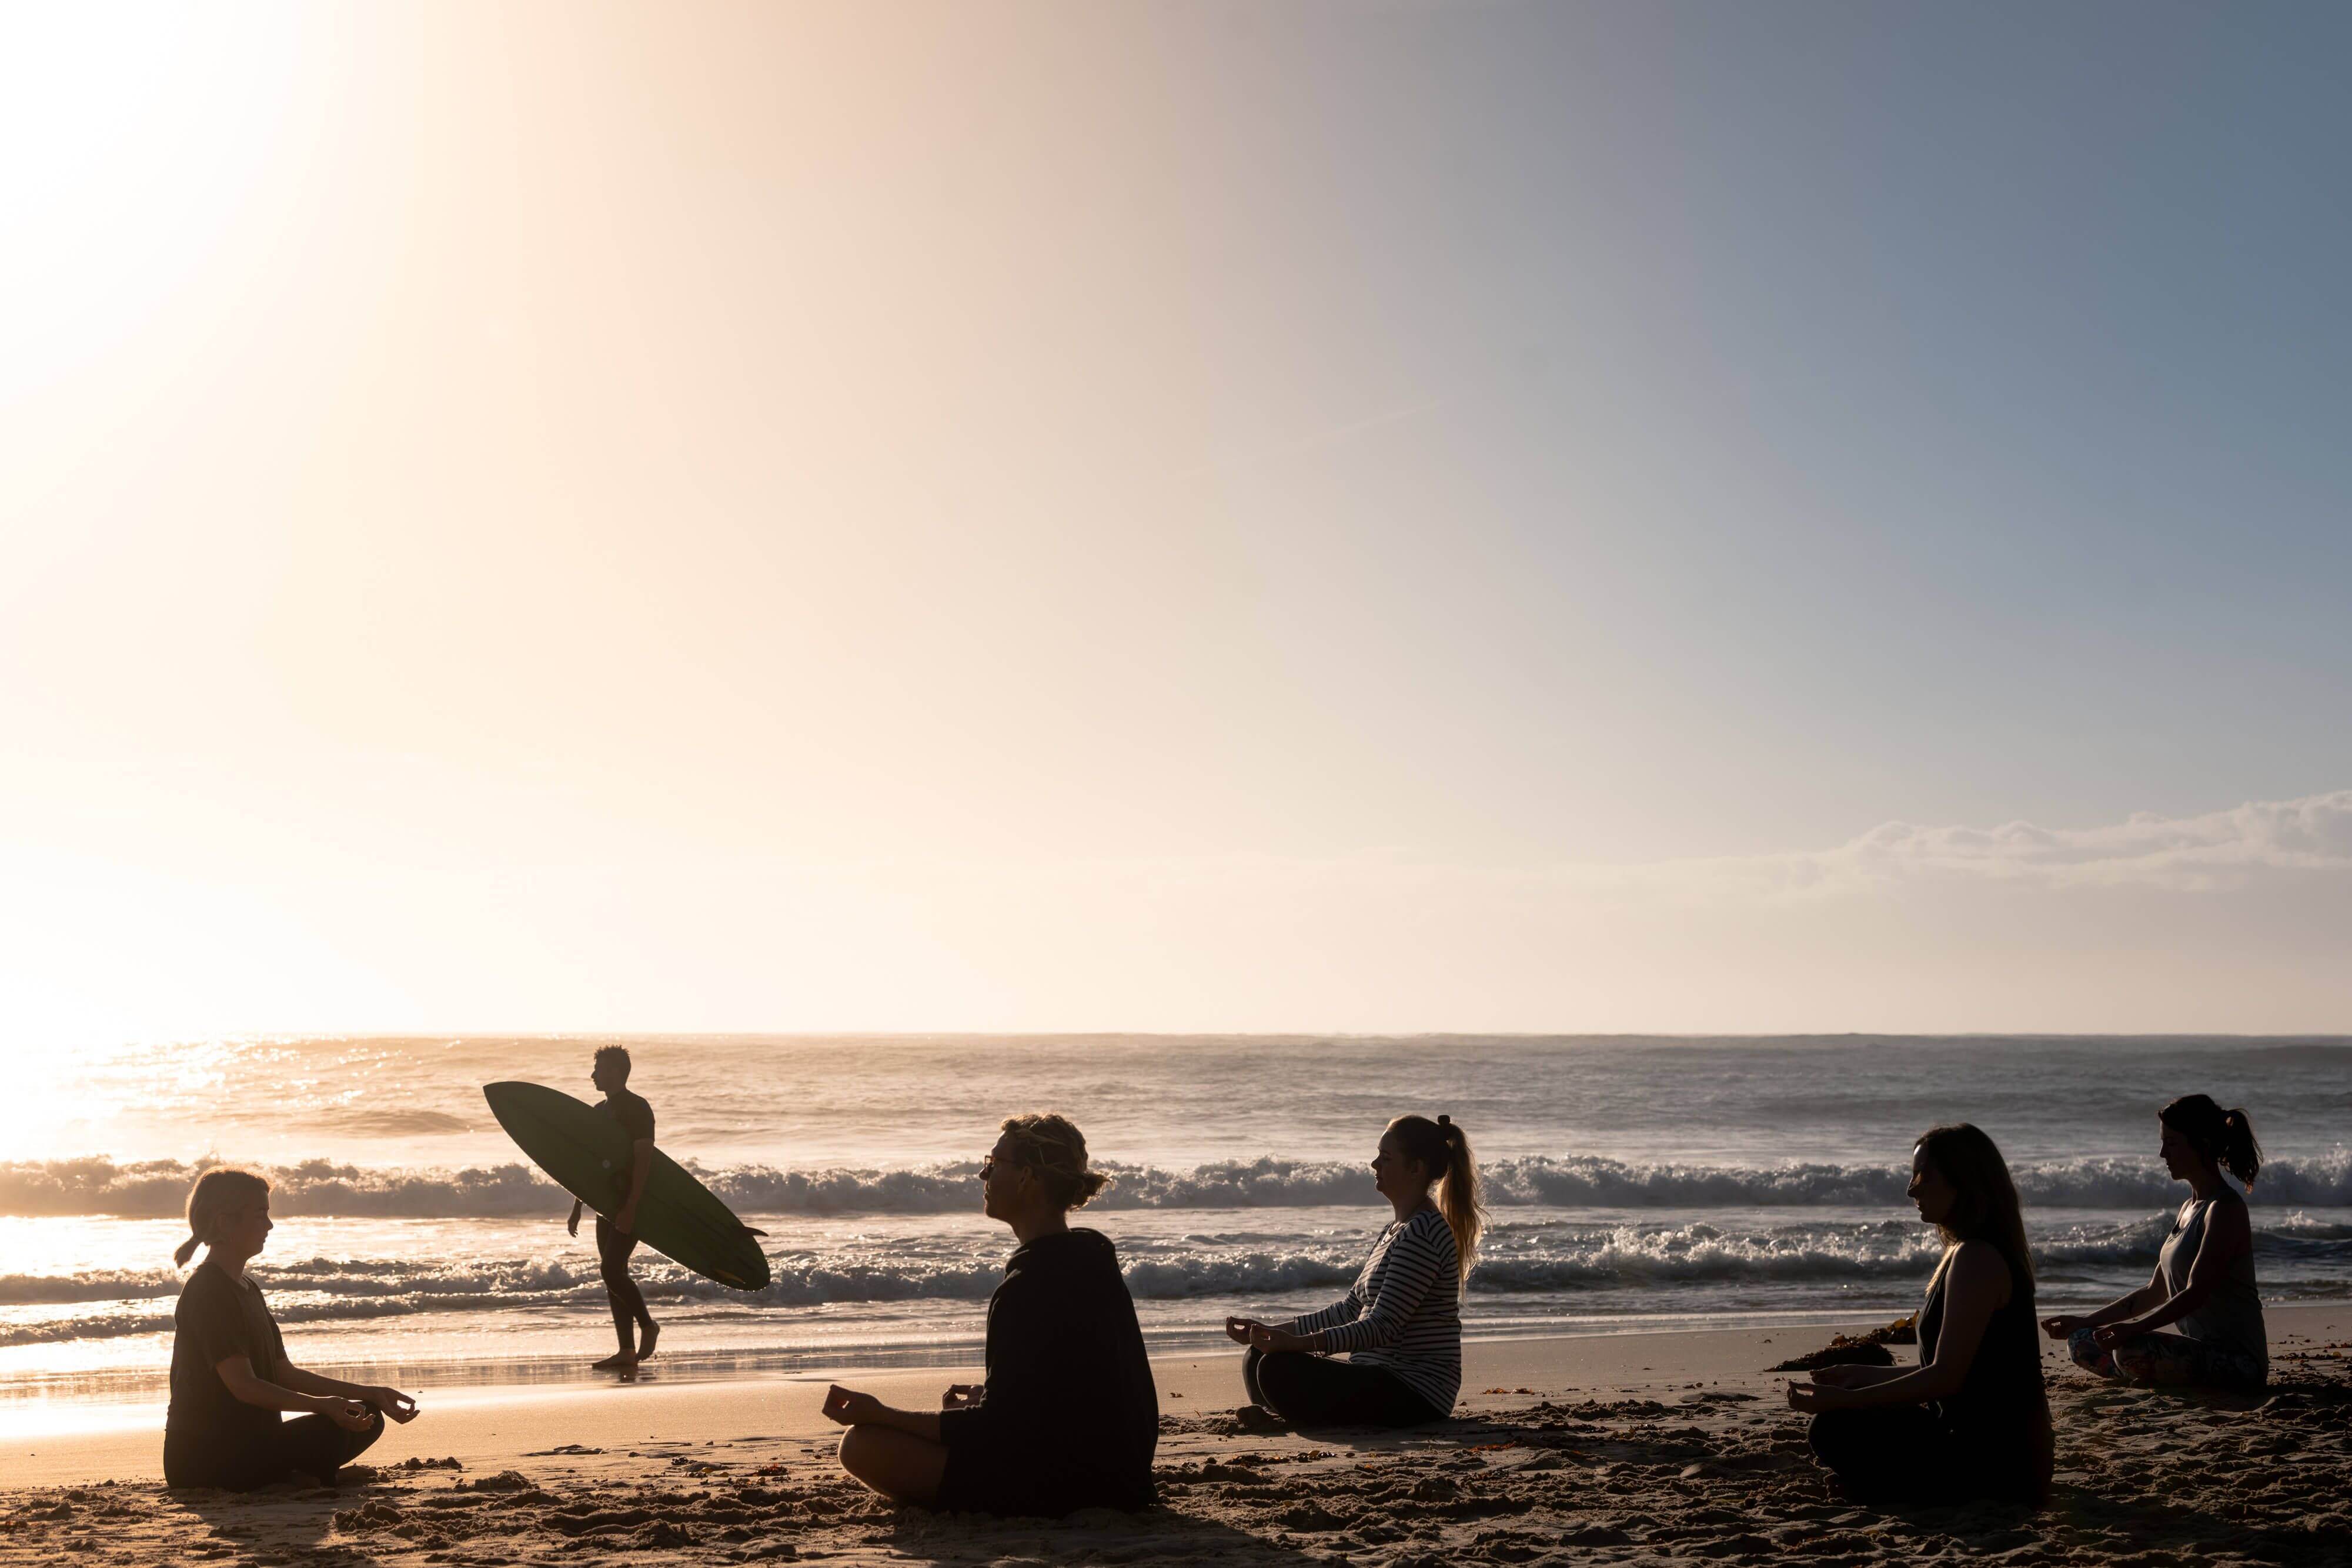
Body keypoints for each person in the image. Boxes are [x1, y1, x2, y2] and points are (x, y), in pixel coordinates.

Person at [821, 1113, 1158, 1514]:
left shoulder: (1026, 1285)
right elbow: (1086, 1391)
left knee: (861, 1444)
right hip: (1125, 1475)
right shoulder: (1094, 1259)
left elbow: (996, 1430)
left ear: (1026, 1178)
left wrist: (882, 1413)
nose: (983, 1173)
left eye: (995, 1163)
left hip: (1068, 1486)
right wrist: (991, 1404)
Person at [1790, 1124, 2052, 1506]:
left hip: (1999, 1465)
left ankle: (1890, 1491)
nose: (1912, 1189)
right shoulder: (1969, 1251)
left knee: (1833, 1428)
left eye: (1922, 1176)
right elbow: (1956, 1371)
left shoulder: (1976, 1258)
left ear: (1961, 1180)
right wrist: (1861, 1377)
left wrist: (1845, 1401)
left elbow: (1945, 1378)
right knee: (1844, 1417)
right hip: (1988, 1449)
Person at [163, 1169, 420, 1490]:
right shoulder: (207, 1291)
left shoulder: (247, 1288)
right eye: (260, 1215)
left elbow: (283, 1373)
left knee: (365, 1415)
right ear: (224, 1222)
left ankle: (304, 1474)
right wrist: (322, 1404)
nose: (269, 1225)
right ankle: (300, 1476)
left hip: (254, 1444)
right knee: (333, 1425)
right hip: (203, 1457)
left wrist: (369, 1394)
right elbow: (244, 1386)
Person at [1223, 1114, 1482, 1428]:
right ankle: (1287, 1416)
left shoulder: (1424, 1233)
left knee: (1275, 1369)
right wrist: (1272, 1331)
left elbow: (1381, 1328)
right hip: (1376, 1376)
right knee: (1257, 1356)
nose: (1375, 1165)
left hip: (1413, 1391)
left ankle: (1289, 1418)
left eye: (1386, 1158)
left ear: (1416, 1169)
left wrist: (1296, 1345)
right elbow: (1349, 1310)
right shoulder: (1395, 1230)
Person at [2043, 1094, 2267, 1391]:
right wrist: (2083, 1320)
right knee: (2083, 1340)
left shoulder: (2225, 1209)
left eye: (2172, 1144)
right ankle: (2144, 1374)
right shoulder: (2189, 1208)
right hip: (2195, 1352)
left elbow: (2196, 1293)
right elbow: (2154, 1292)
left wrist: (2134, 1329)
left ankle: (2143, 1374)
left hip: (2238, 1363)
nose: (2163, 1153)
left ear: (2203, 1144)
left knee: (2129, 1349)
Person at [567, 1045, 660, 1371]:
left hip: (631, 1203)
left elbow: (644, 1159)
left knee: (611, 1270)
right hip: (605, 1206)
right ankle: (625, 1349)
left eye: (600, 1069)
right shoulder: (598, 1110)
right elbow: (589, 1166)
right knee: (613, 1275)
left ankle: (648, 1326)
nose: (593, 1075)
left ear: (617, 1072)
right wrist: (578, 1205)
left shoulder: (638, 1109)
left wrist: (632, 1207)